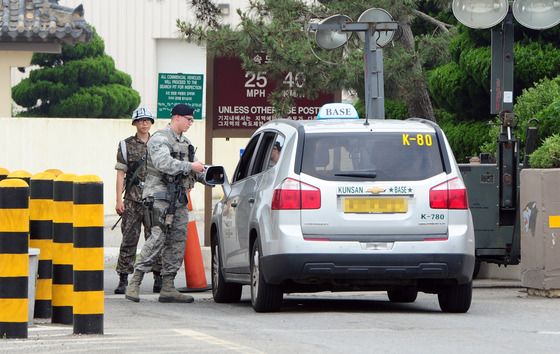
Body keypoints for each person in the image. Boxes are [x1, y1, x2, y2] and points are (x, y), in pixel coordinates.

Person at [125, 103, 206, 303]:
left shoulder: (185, 143)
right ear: (176, 117)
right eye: (188, 119)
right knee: (158, 238)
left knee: (178, 240)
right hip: (159, 197)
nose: (190, 123)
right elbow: (164, 164)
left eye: (191, 120)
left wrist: (212, 175)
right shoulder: (159, 139)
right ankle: (134, 282)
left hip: (178, 199)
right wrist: (190, 166)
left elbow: (197, 169)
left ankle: (168, 285)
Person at [114, 107, 162, 294]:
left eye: (147, 120)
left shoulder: (159, 143)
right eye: (141, 120)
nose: (144, 123)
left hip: (155, 200)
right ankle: (123, 278)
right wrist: (119, 200)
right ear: (135, 123)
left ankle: (158, 277)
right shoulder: (125, 145)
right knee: (129, 239)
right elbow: (120, 174)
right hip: (133, 200)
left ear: (151, 123)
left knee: (156, 238)